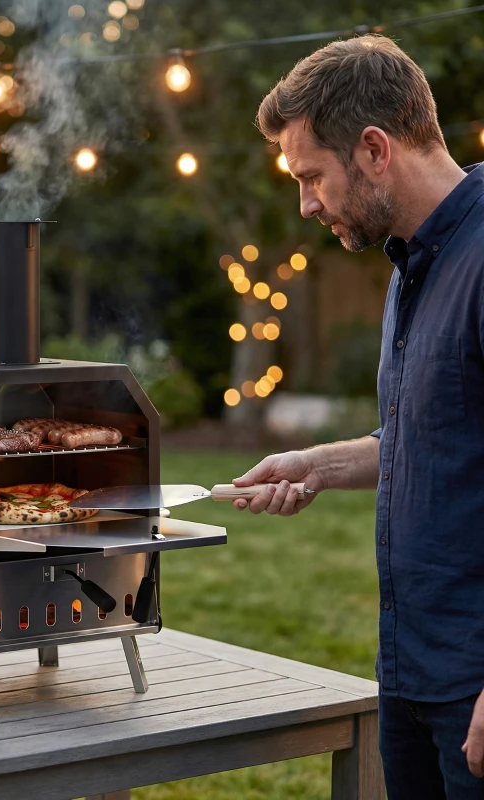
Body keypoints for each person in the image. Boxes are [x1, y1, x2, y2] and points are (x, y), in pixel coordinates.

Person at [236, 34, 484, 798]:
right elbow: (430, 432)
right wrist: (318, 466)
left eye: (312, 177)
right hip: (410, 673)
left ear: (374, 149)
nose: (307, 203)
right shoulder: (410, 261)